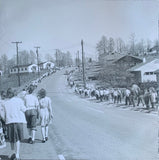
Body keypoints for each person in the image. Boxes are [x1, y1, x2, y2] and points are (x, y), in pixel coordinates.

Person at [2, 88, 26, 160]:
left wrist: (6, 120)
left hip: (9, 122)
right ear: (14, 93)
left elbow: (3, 114)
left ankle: (12, 152)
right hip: (18, 121)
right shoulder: (19, 100)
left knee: (11, 138)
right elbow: (24, 109)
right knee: (18, 138)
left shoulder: (5, 103)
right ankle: (17, 154)